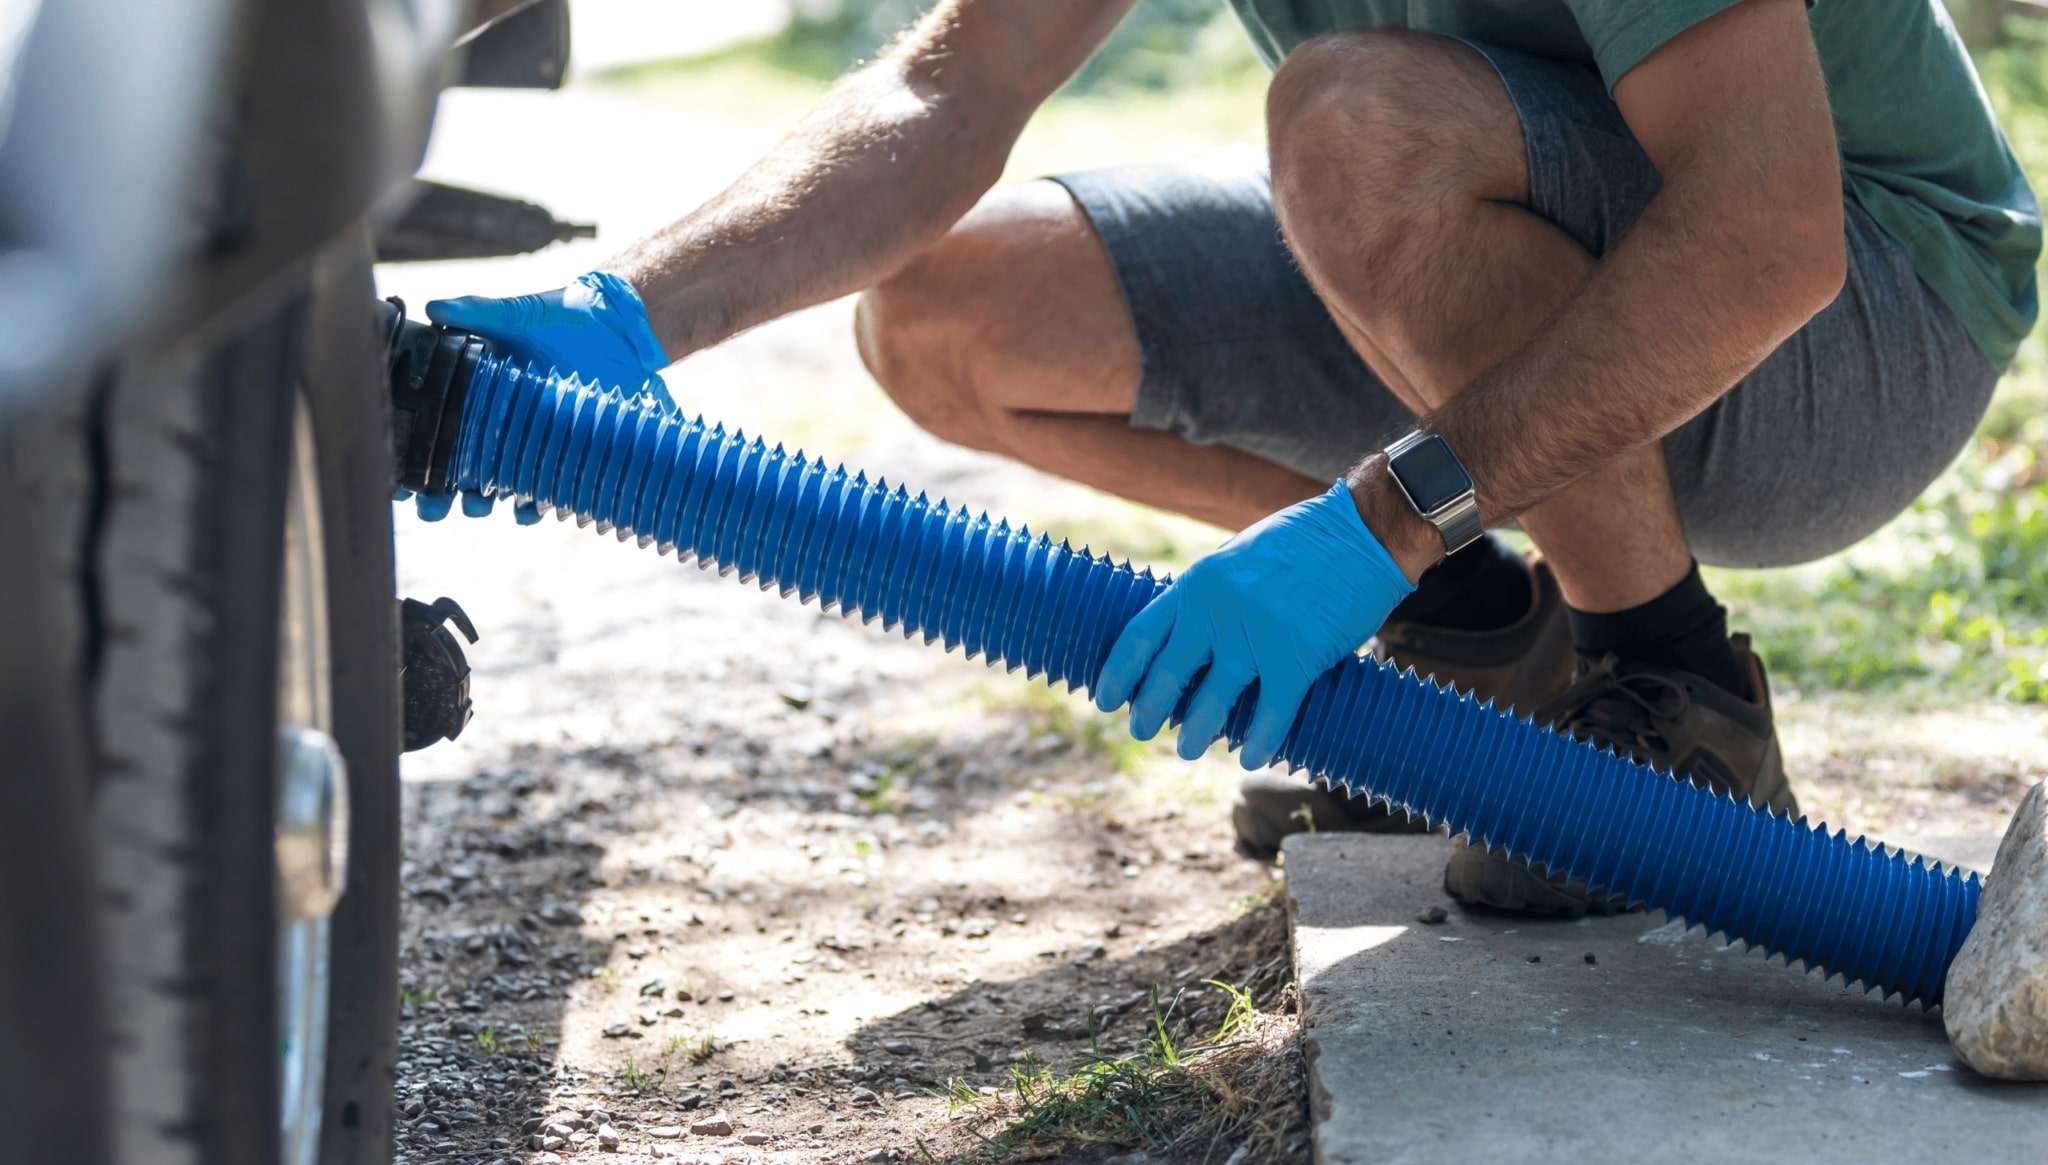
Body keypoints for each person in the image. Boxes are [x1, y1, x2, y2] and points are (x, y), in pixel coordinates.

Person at [420, 0, 2040, 915]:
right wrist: (624, 311)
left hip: (1861, 320)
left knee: (1350, 122)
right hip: (1494, 239)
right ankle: (1486, 651)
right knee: (949, 313)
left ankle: (1665, 684)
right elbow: (946, 84)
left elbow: (1765, 242)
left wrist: (1376, 518)